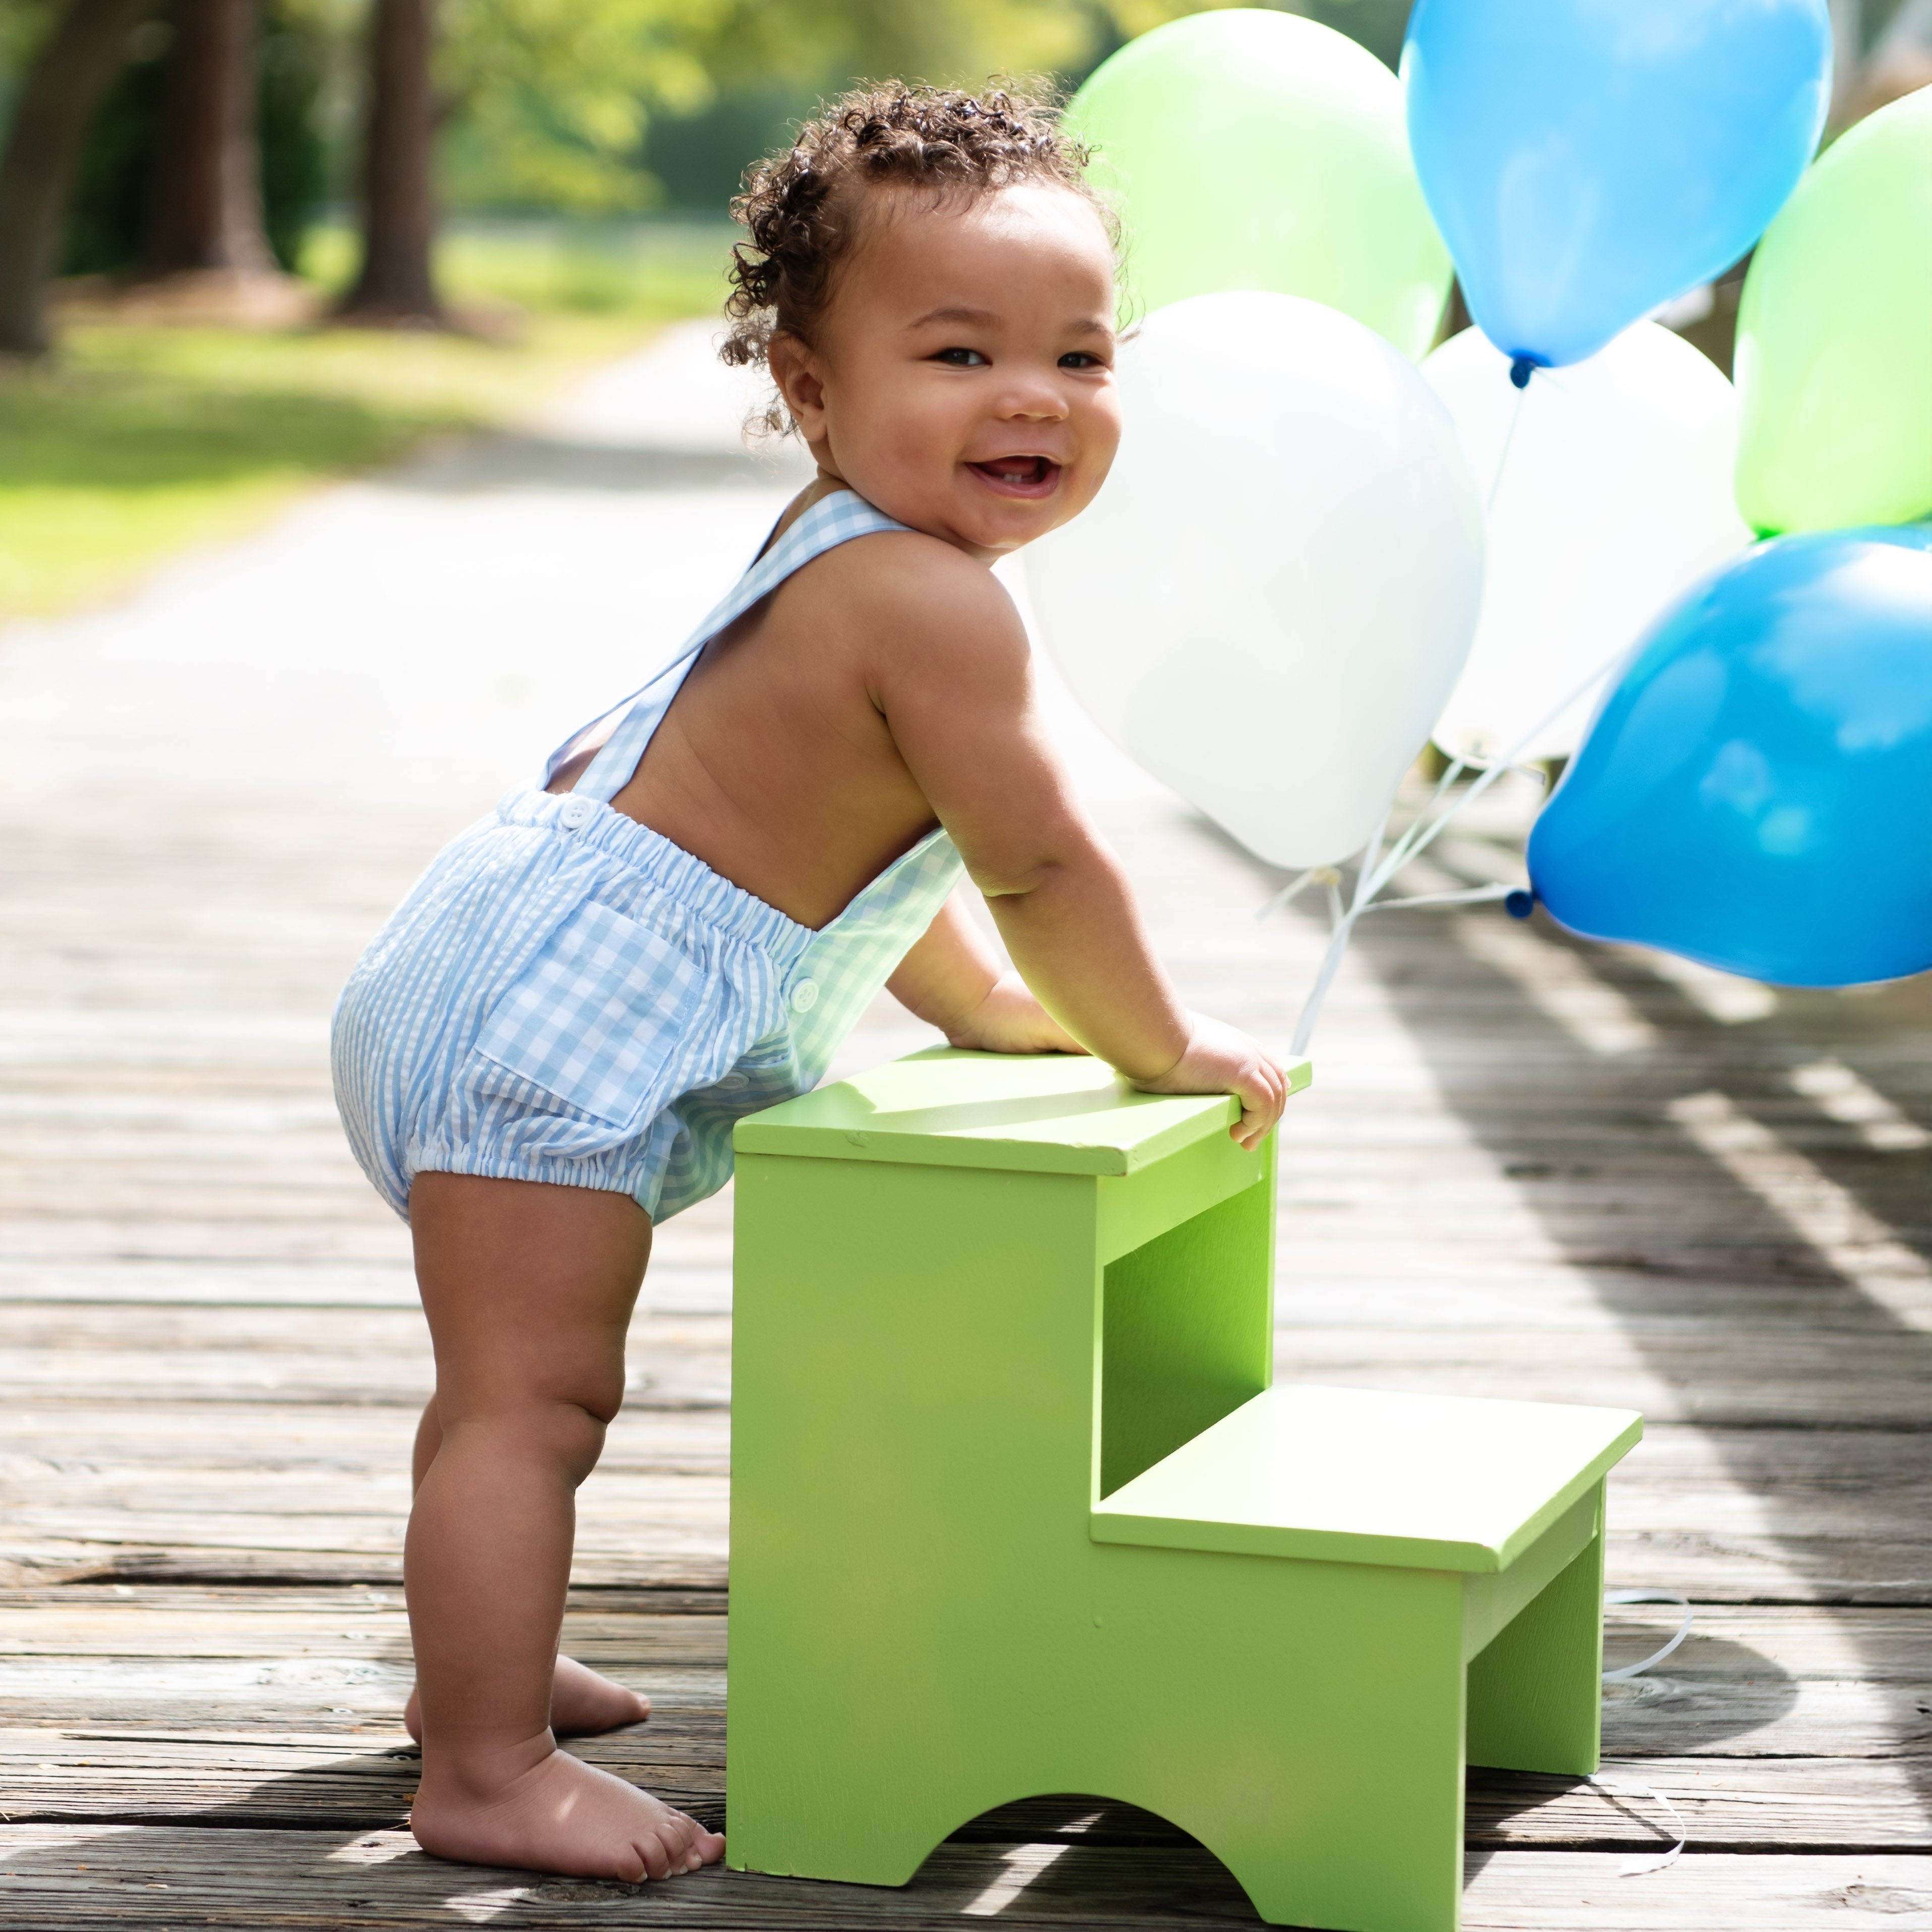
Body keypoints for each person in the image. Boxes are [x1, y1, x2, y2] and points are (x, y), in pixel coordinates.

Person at [330, 81, 1291, 1885]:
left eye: (1081, 358)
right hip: (546, 1029)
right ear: (809, 384)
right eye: (958, 351)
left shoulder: (839, 543)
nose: (1033, 397)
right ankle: (481, 1763)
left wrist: (977, 1008)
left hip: (504, 959)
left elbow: (856, 848)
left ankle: (488, 1655)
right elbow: (1038, 859)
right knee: (531, 1403)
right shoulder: (934, 602)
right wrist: (1147, 1039)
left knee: (496, 1394)